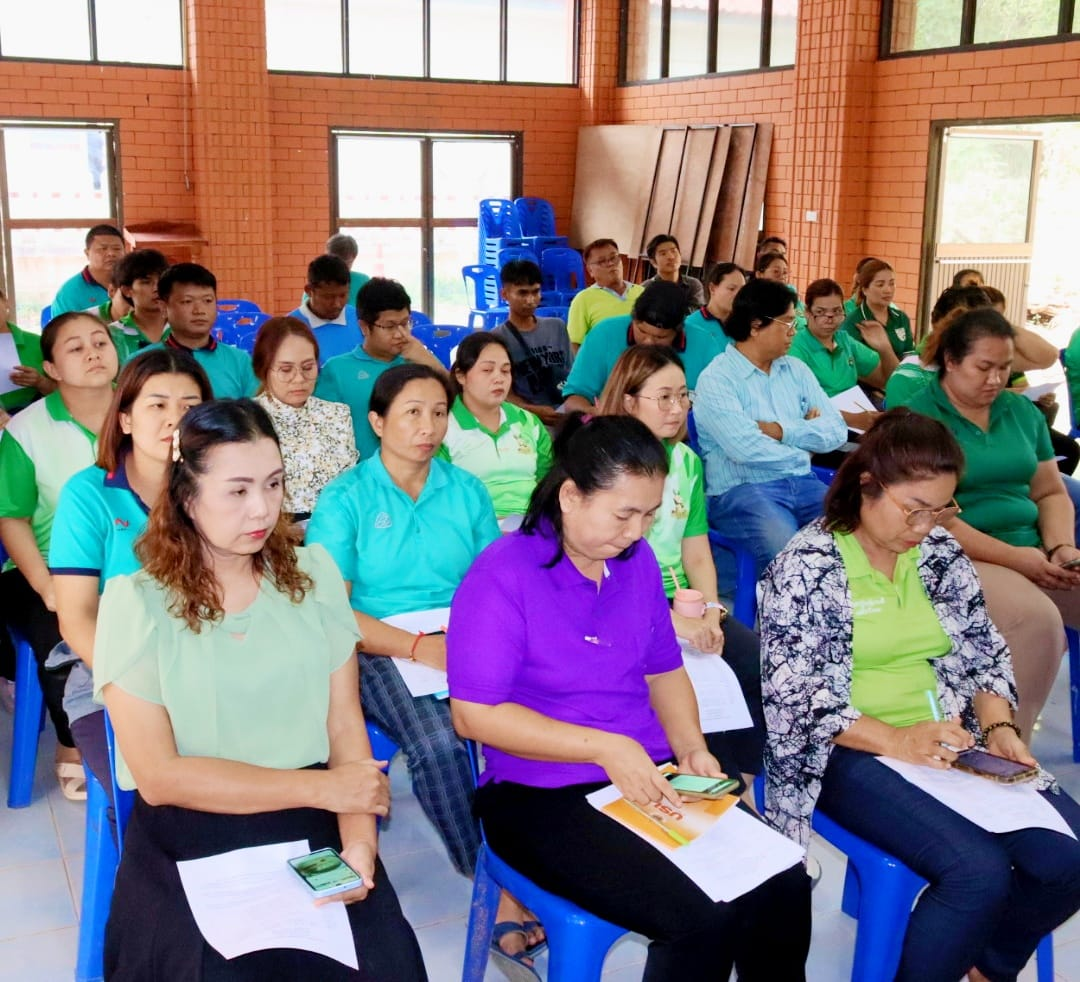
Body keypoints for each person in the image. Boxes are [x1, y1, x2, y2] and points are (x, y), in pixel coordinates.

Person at [447, 414, 811, 981]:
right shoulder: (502, 573)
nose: (638, 532)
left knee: (781, 880)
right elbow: (473, 715)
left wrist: (691, 749)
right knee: (698, 918)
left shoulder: (635, 563)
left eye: (650, 514)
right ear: (570, 495)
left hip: (649, 773)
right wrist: (605, 748)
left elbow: (663, 671)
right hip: (538, 793)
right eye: (624, 514)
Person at [92, 399, 426, 980]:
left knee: (382, 964)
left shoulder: (314, 576)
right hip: (191, 830)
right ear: (187, 496)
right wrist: (330, 789)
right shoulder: (136, 602)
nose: (264, 509)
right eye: (238, 490)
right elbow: (161, 776)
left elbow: (344, 727)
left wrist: (359, 849)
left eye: (274, 484)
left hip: (308, 818)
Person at [760, 408, 1080, 982]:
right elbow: (796, 695)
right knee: (976, 873)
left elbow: (984, 651)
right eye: (914, 509)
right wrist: (898, 739)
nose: (925, 525)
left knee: (1070, 856)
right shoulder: (806, 566)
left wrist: (1001, 730)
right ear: (868, 486)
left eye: (942, 510)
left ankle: (987, 969)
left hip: (949, 741)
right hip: (848, 747)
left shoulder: (938, 554)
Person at [307, 365, 539, 970]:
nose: (429, 426)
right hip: (380, 643)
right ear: (377, 422)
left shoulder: (465, 490)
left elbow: (495, 582)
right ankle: (498, 884)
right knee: (439, 743)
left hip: (465, 633)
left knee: (538, 718)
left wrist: (473, 637)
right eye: (412, 412)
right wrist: (415, 647)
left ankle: (543, 860)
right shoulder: (346, 498)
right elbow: (336, 611)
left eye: (439, 411)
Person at [50, 349, 211, 829]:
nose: (174, 420)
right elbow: (77, 617)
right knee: (158, 808)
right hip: (109, 673)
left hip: (211, 663)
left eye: (190, 406)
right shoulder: (89, 493)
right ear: (124, 419)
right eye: (157, 405)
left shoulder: (222, 485)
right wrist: (148, 688)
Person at [906, 308, 1080, 736]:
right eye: (984, 367)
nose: (996, 380)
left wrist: (1060, 548)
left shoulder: (1021, 414)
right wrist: (1021, 561)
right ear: (950, 361)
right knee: (1036, 623)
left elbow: (1049, 491)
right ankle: (1007, 750)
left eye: (1004, 368)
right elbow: (938, 519)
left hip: (1031, 549)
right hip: (951, 555)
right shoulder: (919, 417)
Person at [597, 346, 765, 785]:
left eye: (683, 396)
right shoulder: (603, 465)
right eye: (664, 398)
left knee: (754, 662)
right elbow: (604, 575)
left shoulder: (687, 461)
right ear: (630, 401)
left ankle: (749, 776)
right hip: (624, 604)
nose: (677, 410)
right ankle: (713, 783)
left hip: (683, 601)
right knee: (693, 685)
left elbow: (696, 552)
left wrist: (711, 611)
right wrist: (674, 622)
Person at [0, 312, 120, 799]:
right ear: (50, 367)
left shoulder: (144, 414)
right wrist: (48, 584)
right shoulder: (26, 431)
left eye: (100, 341)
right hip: (48, 562)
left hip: (133, 560)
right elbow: (12, 518)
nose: (93, 352)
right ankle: (75, 742)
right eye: (75, 348)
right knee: (60, 635)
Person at [694, 279, 846, 579]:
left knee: (855, 530)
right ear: (755, 326)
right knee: (790, 551)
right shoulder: (717, 379)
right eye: (788, 323)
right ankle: (790, 620)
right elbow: (745, 449)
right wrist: (806, 445)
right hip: (742, 491)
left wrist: (782, 431)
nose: (795, 332)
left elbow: (837, 430)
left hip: (803, 482)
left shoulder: (795, 370)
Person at [315, 278, 444, 460]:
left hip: (417, 471)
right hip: (360, 476)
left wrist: (430, 361)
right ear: (364, 327)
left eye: (405, 323)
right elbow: (321, 436)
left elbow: (455, 406)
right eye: (390, 326)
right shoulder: (337, 371)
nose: (401, 334)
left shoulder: (418, 362)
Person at [252, 316, 357, 521]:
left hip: (331, 525)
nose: (299, 379)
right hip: (271, 527)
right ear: (264, 369)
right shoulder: (247, 417)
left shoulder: (337, 415)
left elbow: (347, 486)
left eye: (308, 368)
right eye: (286, 370)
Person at [439, 333, 552, 524]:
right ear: (461, 375)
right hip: (472, 527)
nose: (498, 378)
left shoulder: (528, 422)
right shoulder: (442, 427)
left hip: (530, 525)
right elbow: (438, 494)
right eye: (487, 370)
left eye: (505, 371)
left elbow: (546, 481)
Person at [561, 280, 722, 412]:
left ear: (679, 331)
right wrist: (597, 415)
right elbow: (575, 399)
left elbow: (716, 408)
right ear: (633, 319)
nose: (648, 342)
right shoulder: (604, 334)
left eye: (661, 337)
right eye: (642, 331)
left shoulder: (705, 344)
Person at [788, 278, 897, 430]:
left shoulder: (844, 340)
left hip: (857, 420)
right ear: (807, 313)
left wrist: (885, 348)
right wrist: (853, 420)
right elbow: (799, 404)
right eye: (821, 312)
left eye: (837, 312)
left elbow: (888, 381)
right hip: (822, 427)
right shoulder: (796, 348)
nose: (829, 319)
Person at [138, 263, 258, 399]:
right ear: (164, 308)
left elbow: (253, 415)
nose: (199, 310)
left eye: (207, 300)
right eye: (187, 302)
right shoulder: (142, 361)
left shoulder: (240, 361)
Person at [492, 259, 572, 426]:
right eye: (522, 293)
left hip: (563, 413)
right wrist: (530, 411)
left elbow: (570, 374)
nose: (530, 300)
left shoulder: (556, 327)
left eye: (535, 292)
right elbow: (501, 392)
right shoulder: (497, 339)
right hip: (523, 421)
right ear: (504, 295)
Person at [565, 239, 644, 352]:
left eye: (613, 258)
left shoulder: (643, 293)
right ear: (590, 270)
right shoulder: (583, 299)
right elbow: (574, 344)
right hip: (604, 366)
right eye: (602, 261)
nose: (611, 264)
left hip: (642, 362)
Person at [287, 254, 363, 363]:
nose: (337, 304)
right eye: (328, 297)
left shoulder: (361, 319)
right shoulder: (290, 327)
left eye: (343, 295)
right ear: (309, 291)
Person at [841, 259, 915, 358]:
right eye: (880, 285)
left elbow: (909, 356)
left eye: (892, 283)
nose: (888, 290)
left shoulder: (901, 318)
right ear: (865, 289)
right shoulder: (853, 322)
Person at [107, 248, 170, 360]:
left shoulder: (182, 328)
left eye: (161, 280)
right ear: (127, 291)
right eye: (146, 282)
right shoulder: (113, 335)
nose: (156, 288)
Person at [0, 285, 54, 414]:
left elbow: (68, 393)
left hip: (33, 417)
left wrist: (40, 382)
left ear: (5, 302)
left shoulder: (38, 343)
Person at [51, 224, 126, 315]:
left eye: (117, 249)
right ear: (87, 253)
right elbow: (66, 328)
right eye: (103, 249)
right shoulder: (69, 292)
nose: (111, 253)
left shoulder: (135, 283)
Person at [684, 261, 745, 348]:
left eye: (742, 290)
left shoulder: (745, 325)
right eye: (732, 289)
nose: (738, 295)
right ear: (712, 288)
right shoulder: (691, 325)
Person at [640, 234, 705, 313]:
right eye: (663, 254)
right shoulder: (645, 288)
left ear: (680, 255)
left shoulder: (693, 285)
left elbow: (696, 314)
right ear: (653, 262)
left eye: (674, 251)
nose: (671, 257)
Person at [328, 232, 371, 307]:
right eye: (336, 261)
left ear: (354, 258)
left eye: (346, 262)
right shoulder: (319, 281)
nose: (340, 267)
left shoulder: (363, 281)